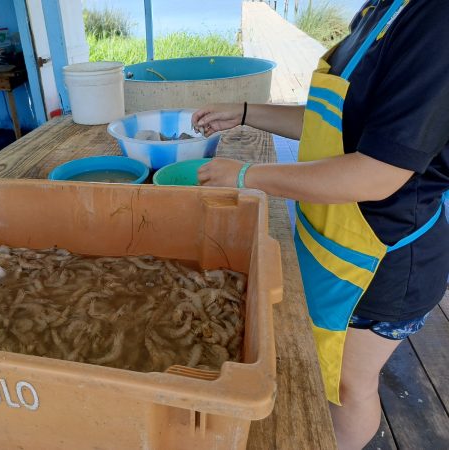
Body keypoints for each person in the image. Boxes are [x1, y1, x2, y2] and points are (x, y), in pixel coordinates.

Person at [192, 1, 449, 449]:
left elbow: (378, 171)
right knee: (327, 375)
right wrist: (246, 111)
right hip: (333, 244)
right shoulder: (379, 12)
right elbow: (334, 122)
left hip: (385, 260)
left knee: (350, 386)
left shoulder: (436, 20)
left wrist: (245, 175)